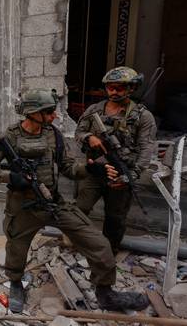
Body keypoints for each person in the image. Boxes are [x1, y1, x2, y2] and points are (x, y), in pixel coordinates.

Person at [0, 89, 148, 313]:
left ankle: (105, 293)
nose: (54, 116)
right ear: (33, 113)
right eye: (49, 112)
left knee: (99, 244)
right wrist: (12, 177)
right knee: (16, 250)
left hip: (54, 202)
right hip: (22, 206)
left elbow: (69, 167)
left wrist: (90, 169)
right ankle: (15, 284)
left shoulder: (54, 134)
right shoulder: (9, 137)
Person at [75, 67, 157, 254]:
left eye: (119, 88)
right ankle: (77, 244)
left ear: (131, 88)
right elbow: (78, 132)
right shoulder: (94, 109)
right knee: (79, 209)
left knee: (115, 218)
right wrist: (89, 137)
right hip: (95, 170)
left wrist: (131, 176)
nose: (113, 92)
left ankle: (109, 251)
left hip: (120, 173)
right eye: (110, 88)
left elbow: (146, 149)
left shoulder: (143, 116)